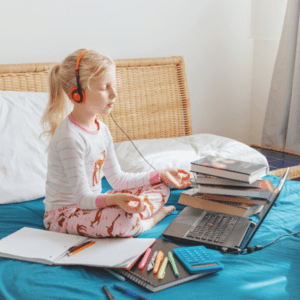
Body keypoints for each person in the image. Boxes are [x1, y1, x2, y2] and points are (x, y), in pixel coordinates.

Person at [41, 49, 192, 238]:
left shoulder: (102, 130)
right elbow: (81, 198)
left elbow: (118, 179)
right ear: (77, 94)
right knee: (121, 218)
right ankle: (146, 221)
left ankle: (135, 216)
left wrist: (159, 175)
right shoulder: (69, 138)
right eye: (105, 87)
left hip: (91, 205)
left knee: (161, 186)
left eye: (114, 86)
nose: (114, 94)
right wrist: (114, 200)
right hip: (66, 215)